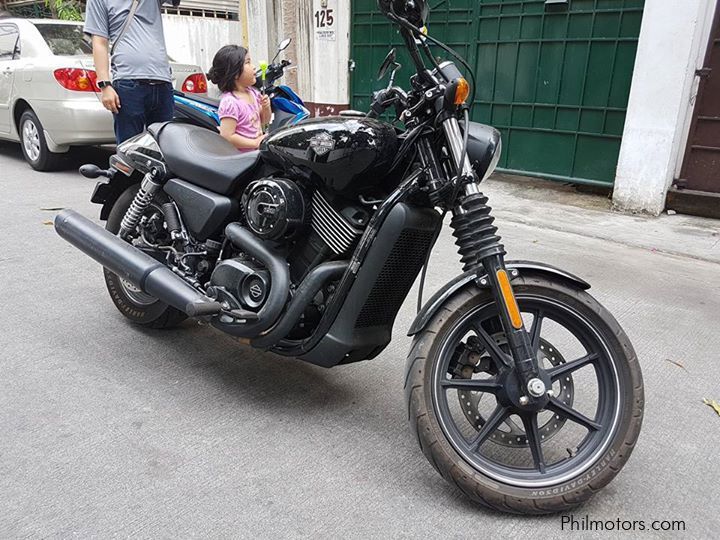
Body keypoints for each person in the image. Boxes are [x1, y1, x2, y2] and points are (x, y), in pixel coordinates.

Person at [84, 0, 178, 144]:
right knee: (129, 150)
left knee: (166, 149)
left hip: (162, 81)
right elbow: (99, 42)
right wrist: (105, 85)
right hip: (128, 83)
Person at [208, 45, 271, 152]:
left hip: (256, 155)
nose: (254, 66)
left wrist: (266, 107)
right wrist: (255, 143)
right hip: (242, 161)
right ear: (235, 73)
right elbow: (227, 136)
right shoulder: (230, 102)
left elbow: (264, 120)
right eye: (248, 62)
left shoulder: (253, 93)